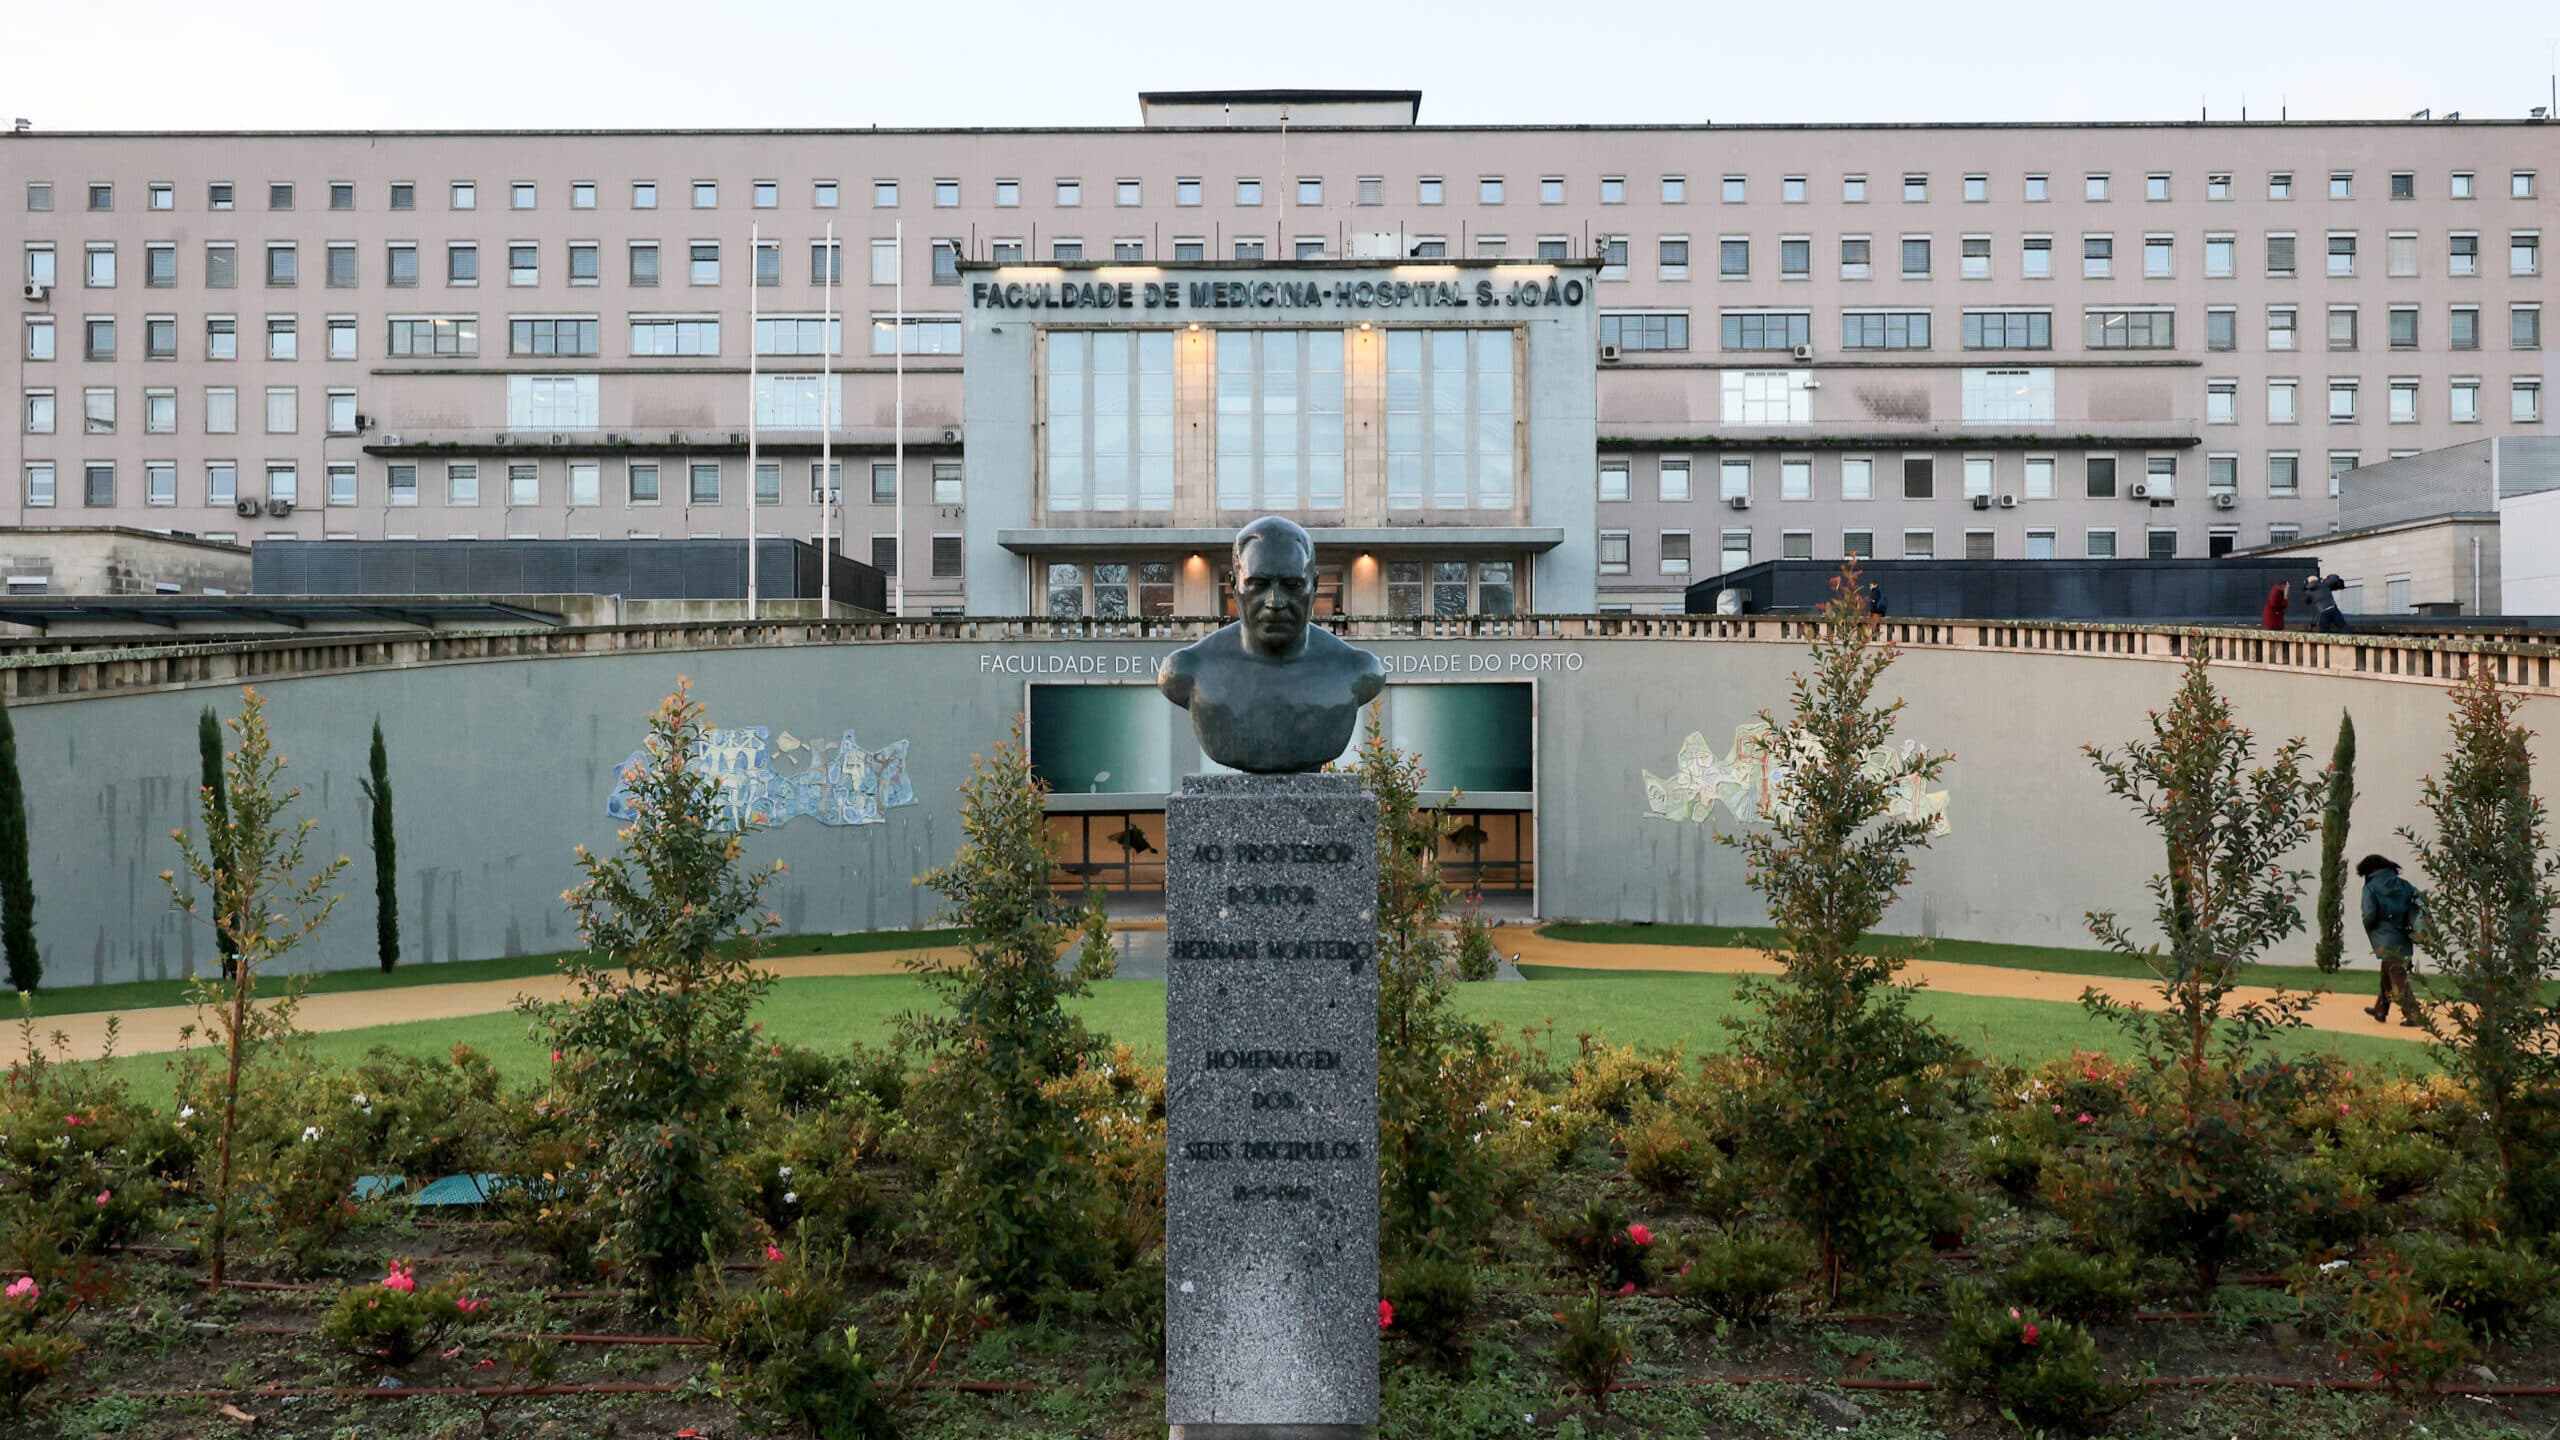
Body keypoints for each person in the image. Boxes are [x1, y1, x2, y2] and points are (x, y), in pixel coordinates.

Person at [2357, 854, 2425, 1025]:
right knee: (2388, 973)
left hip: (2385, 937)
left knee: (2398, 978)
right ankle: (2380, 1010)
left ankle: (2414, 1015)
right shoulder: (2404, 885)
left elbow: (2369, 914)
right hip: (2404, 935)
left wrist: (2370, 927)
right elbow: (2418, 904)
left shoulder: (2371, 887)